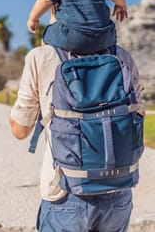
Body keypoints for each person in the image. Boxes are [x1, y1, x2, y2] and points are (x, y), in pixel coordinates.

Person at [9, 45, 144, 232]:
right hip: (118, 188)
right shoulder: (120, 55)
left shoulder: (41, 56)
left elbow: (20, 130)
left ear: (52, 14)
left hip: (65, 190)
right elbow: (138, 115)